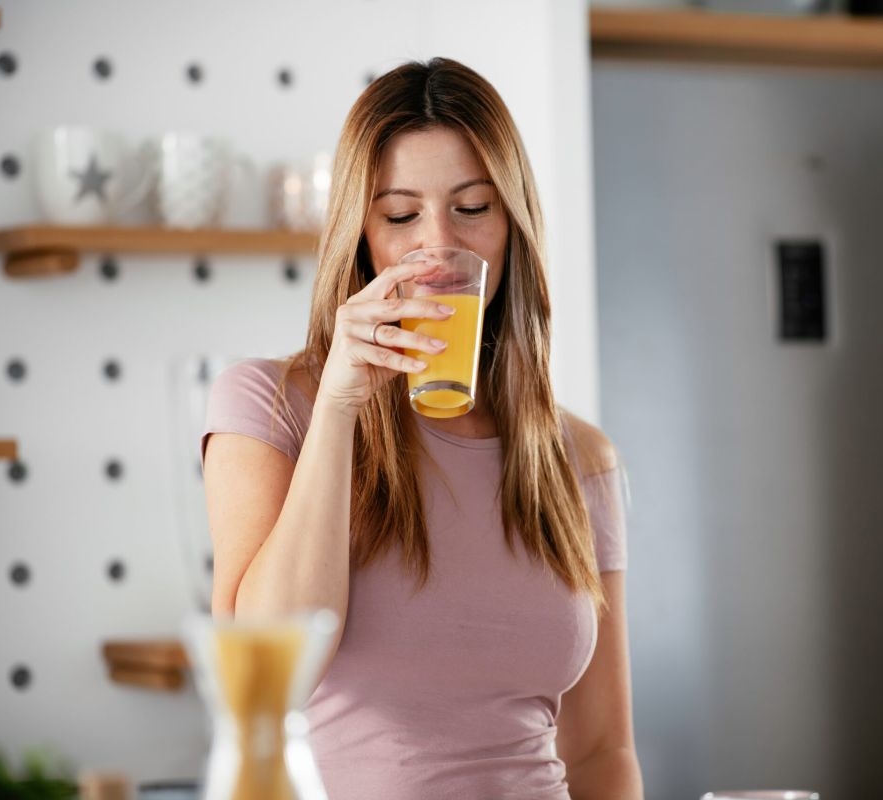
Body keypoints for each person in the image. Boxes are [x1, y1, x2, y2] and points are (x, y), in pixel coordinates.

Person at [199, 58, 643, 799]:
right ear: (360, 234)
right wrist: (340, 404)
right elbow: (268, 684)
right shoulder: (270, 405)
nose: (437, 248)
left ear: (512, 225)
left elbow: (600, 751)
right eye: (400, 215)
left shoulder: (579, 457)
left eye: (472, 207)